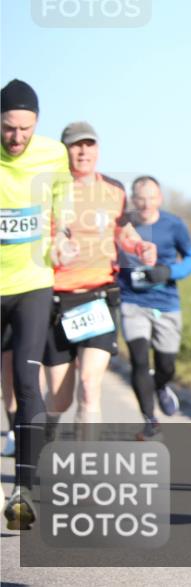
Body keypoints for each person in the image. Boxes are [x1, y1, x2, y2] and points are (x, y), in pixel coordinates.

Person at [42, 122, 155, 441]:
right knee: (60, 399)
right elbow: (42, 238)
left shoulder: (114, 190)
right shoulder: (51, 190)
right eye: (76, 145)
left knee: (90, 386)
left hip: (98, 300)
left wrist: (140, 246)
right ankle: (45, 437)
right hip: (58, 302)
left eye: (89, 145)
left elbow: (125, 230)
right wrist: (55, 248)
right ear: (64, 151)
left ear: (98, 150)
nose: (83, 151)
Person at [0, 78, 73, 530]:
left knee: (28, 382)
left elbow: (63, 193)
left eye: (25, 129)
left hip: (32, 282)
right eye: (9, 129)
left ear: (37, 124)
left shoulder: (52, 153)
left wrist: (63, 233)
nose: (17, 138)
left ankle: (23, 489)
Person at [117, 176, 191, 438]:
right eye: (140, 198)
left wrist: (168, 272)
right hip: (132, 302)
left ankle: (162, 386)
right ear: (132, 199)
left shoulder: (173, 225)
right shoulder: (122, 226)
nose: (146, 203)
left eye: (151, 197)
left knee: (166, 366)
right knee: (139, 361)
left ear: (160, 199)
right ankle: (150, 420)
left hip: (166, 303)